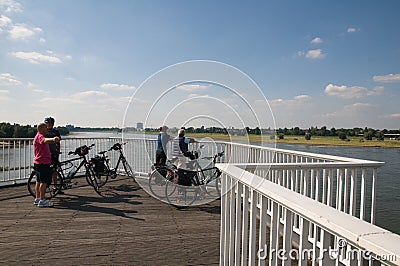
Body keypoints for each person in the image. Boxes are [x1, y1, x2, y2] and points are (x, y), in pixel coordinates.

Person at [33, 122, 60, 207]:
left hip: (38, 162)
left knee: (38, 181)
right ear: (40, 129)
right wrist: (53, 139)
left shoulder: (37, 136)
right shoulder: (40, 136)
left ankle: (37, 198)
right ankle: (42, 200)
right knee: (44, 182)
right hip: (43, 162)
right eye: (45, 127)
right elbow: (45, 141)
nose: (47, 129)